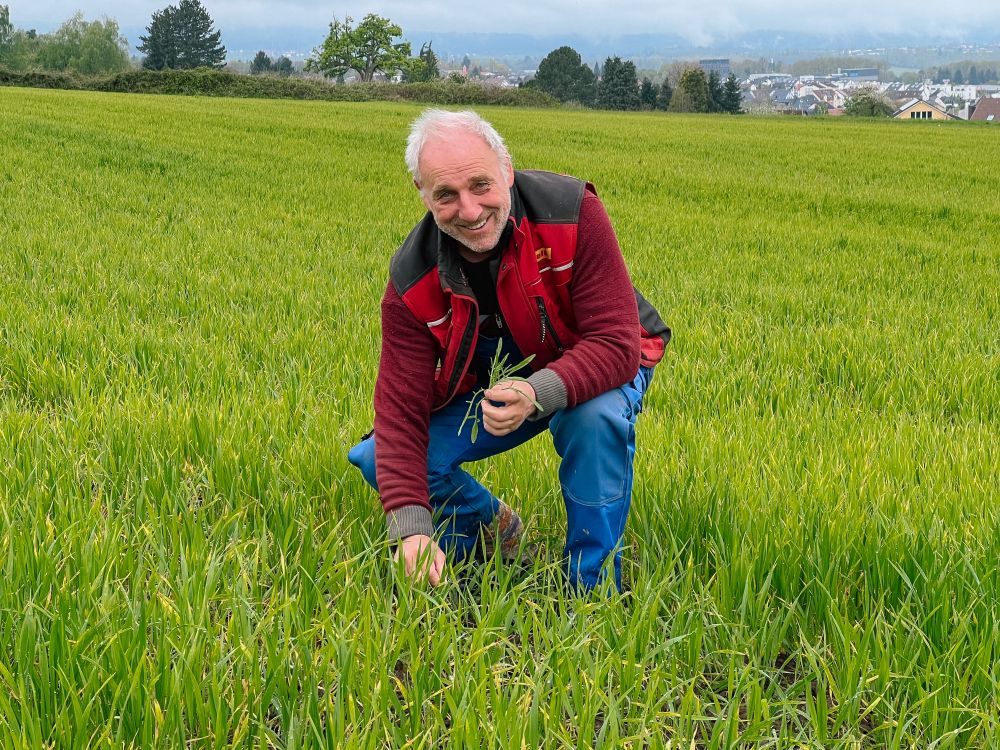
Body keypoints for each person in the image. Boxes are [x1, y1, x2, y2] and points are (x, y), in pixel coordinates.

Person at [348, 109, 670, 592]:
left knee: (593, 418)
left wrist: (537, 392)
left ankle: (592, 590)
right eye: (446, 195)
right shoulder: (411, 280)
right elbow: (399, 414)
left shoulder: (571, 211)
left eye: (481, 185)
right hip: (498, 383)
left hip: (598, 363)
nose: (471, 210)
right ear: (421, 192)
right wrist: (411, 530)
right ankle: (487, 538)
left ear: (506, 166)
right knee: (377, 457)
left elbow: (615, 344)